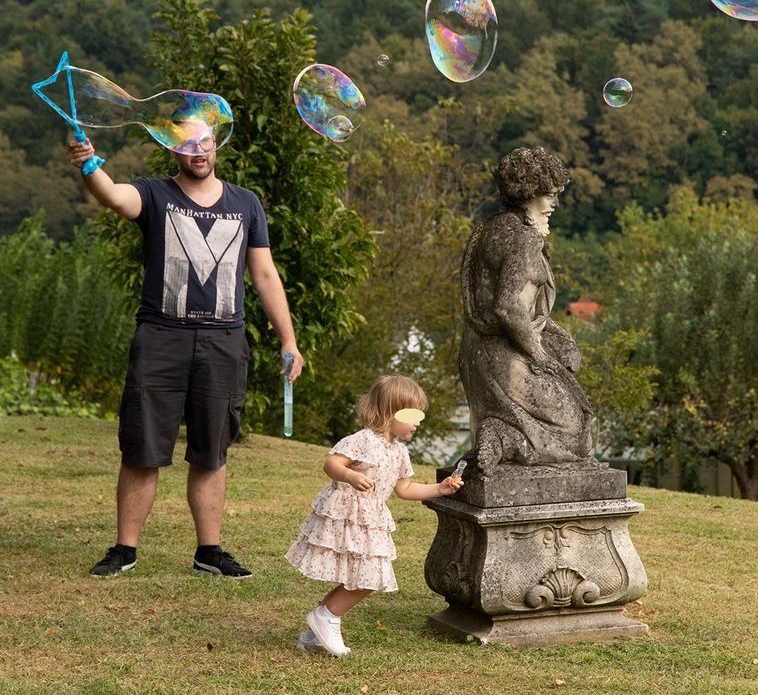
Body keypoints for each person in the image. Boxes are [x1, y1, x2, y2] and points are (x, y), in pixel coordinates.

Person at [66, 133, 303, 578]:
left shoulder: (246, 203)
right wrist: (88, 164)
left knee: (212, 451)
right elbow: (114, 196)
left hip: (224, 342)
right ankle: (124, 549)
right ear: (173, 149)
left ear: (217, 145)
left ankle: (208, 551)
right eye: (189, 144)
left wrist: (288, 340)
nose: (199, 152)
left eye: (206, 142)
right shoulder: (155, 193)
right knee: (142, 447)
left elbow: (265, 274)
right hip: (160, 338)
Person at [285, 375, 462, 656]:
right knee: (366, 577)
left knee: (363, 576)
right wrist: (349, 475)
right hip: (348, 515)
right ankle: (326, 617)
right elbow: (331, 463)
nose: (418, 422)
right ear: (391, 412)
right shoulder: (363, 440)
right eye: (412, 415)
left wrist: (439, 489)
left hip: (373, 518)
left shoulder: (400, 452)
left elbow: (404, 488)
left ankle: (314, 633)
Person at [459, 146, 594, 469]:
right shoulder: (524, 238)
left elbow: (507, 306)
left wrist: (558, 337)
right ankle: (505, 437)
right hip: (508, 360)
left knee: (571, 419)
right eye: (549, 195)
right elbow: (507, 306)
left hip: (475, 357)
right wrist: (539, 355)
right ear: (528, 194)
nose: (554, 204)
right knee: (579, 433)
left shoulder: (486, 230)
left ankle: (502, 435)